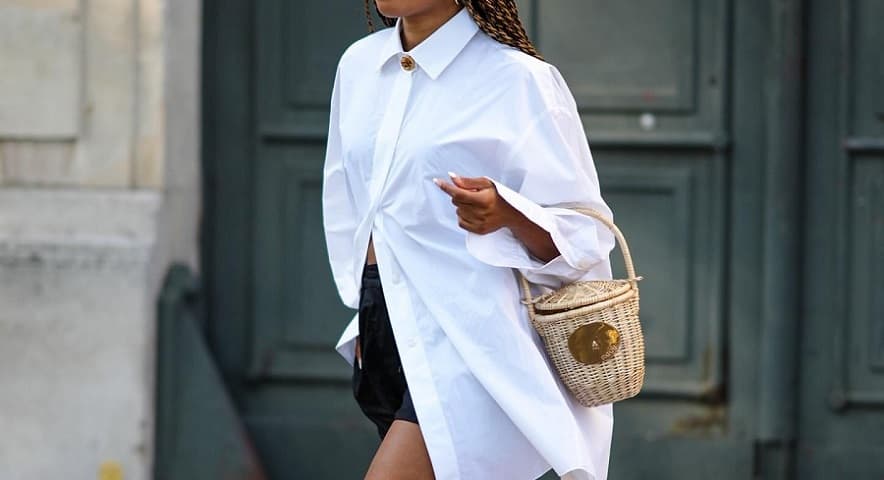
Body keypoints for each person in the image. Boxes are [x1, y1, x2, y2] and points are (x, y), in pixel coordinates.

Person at [321, 1, 617, 478]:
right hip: (384, 333)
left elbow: (586, 237)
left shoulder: (519, 80)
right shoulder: (358, 65)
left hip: (470, 345)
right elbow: (347, 201)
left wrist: (507, 214)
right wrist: (365, 312)